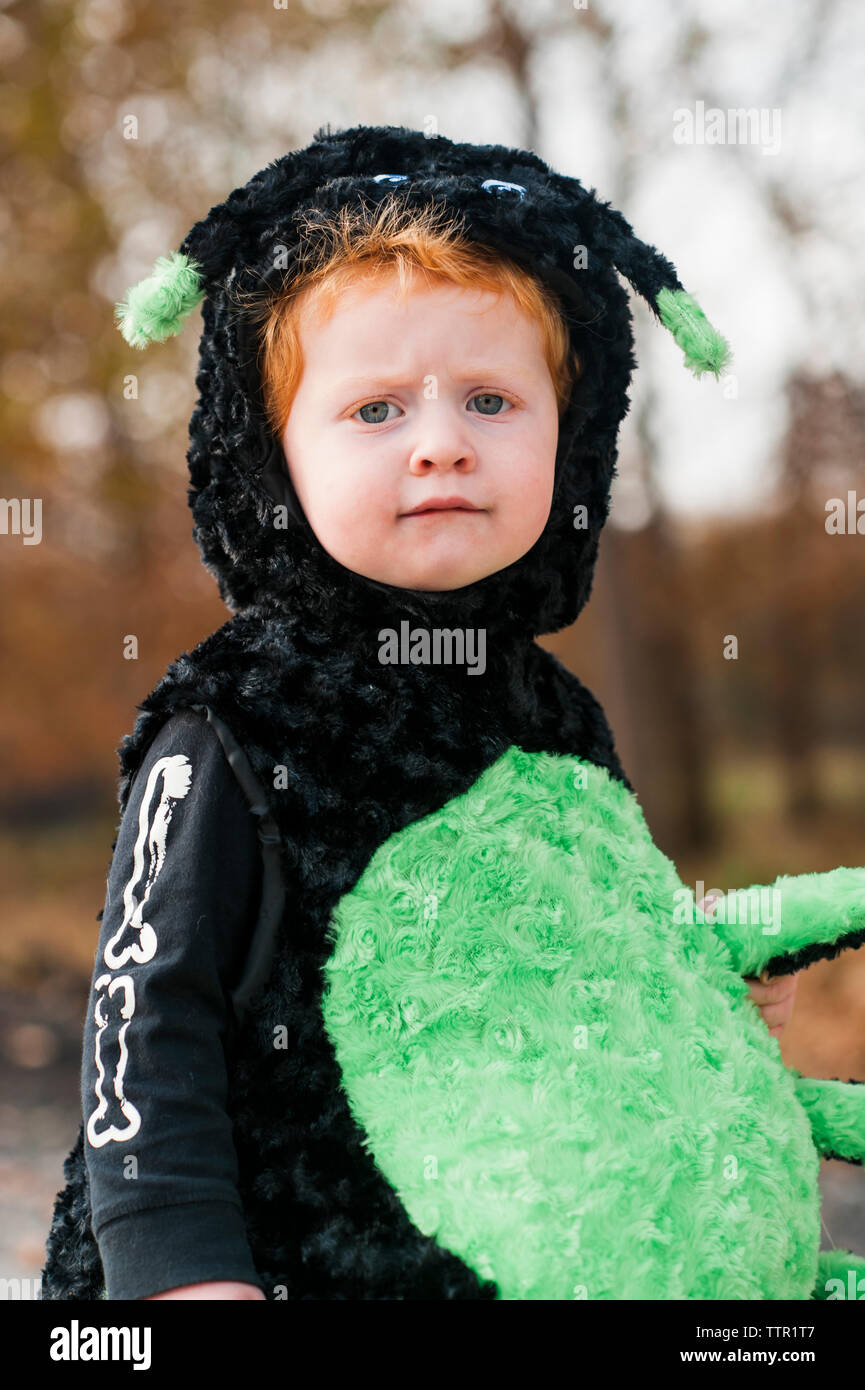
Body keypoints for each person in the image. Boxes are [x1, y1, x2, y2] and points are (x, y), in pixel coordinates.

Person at [40, 124, 862, 1303]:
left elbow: (573, 950)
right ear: (277, 460)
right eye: (375, 411)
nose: (440, 446)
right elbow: (144, 1017)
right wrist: (178, 1275)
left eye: (490, 399)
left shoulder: (555, 713)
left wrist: (692, 991)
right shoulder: (231, 724)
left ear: (567, 445)